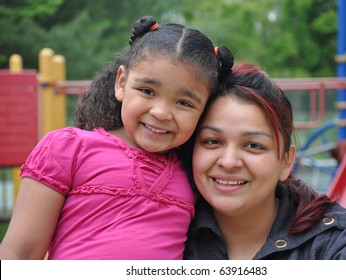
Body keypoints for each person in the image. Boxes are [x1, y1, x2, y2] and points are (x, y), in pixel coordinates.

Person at [0, 15, 233, 260]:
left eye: (184, 102)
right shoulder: (69, 149)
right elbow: (19, 253)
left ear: (205, 109)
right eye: (147, 91)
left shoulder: (196, 172)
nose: (161, 112)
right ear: (121, 82)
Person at [183, 61, 346, 260]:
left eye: (253, 145)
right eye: (212, 141)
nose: (228, 161)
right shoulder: (165, 226)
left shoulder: (340, 242)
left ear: (286, 162)